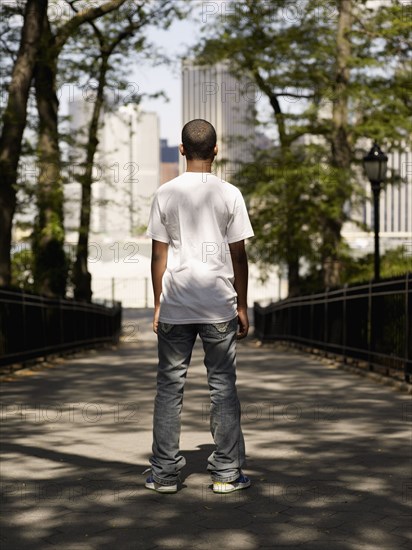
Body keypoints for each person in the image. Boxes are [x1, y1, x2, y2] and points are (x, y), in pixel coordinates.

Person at [145, 119, 254, 494]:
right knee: (222, 387)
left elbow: (158, 256)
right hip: (218, 305)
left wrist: (158, 304)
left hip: (176, 303)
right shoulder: (230, 194)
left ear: (181, 150)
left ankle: (163, 475)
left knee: (168, 388)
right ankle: (226, 473)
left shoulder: (165, 193)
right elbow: (239, 256)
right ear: (215, 150)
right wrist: (243, 305)